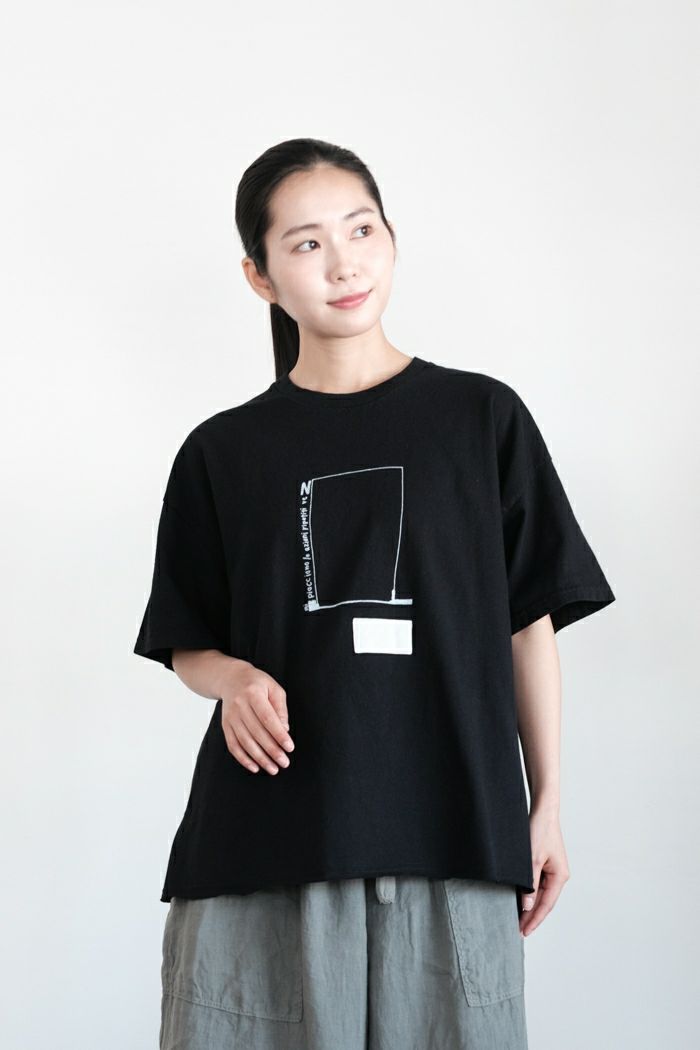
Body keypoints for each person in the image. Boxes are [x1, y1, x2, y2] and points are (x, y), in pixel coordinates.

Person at [134, 137, 616, 1050]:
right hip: (268, 839)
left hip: (452, 829)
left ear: (392, 239)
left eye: (361, 230)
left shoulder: (482, 419)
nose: (343, 262)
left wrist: (545, 802)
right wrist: (232, 679)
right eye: (307, 243)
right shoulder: (222, 453)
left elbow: (529, 623)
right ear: (260, 277)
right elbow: (185, 635)